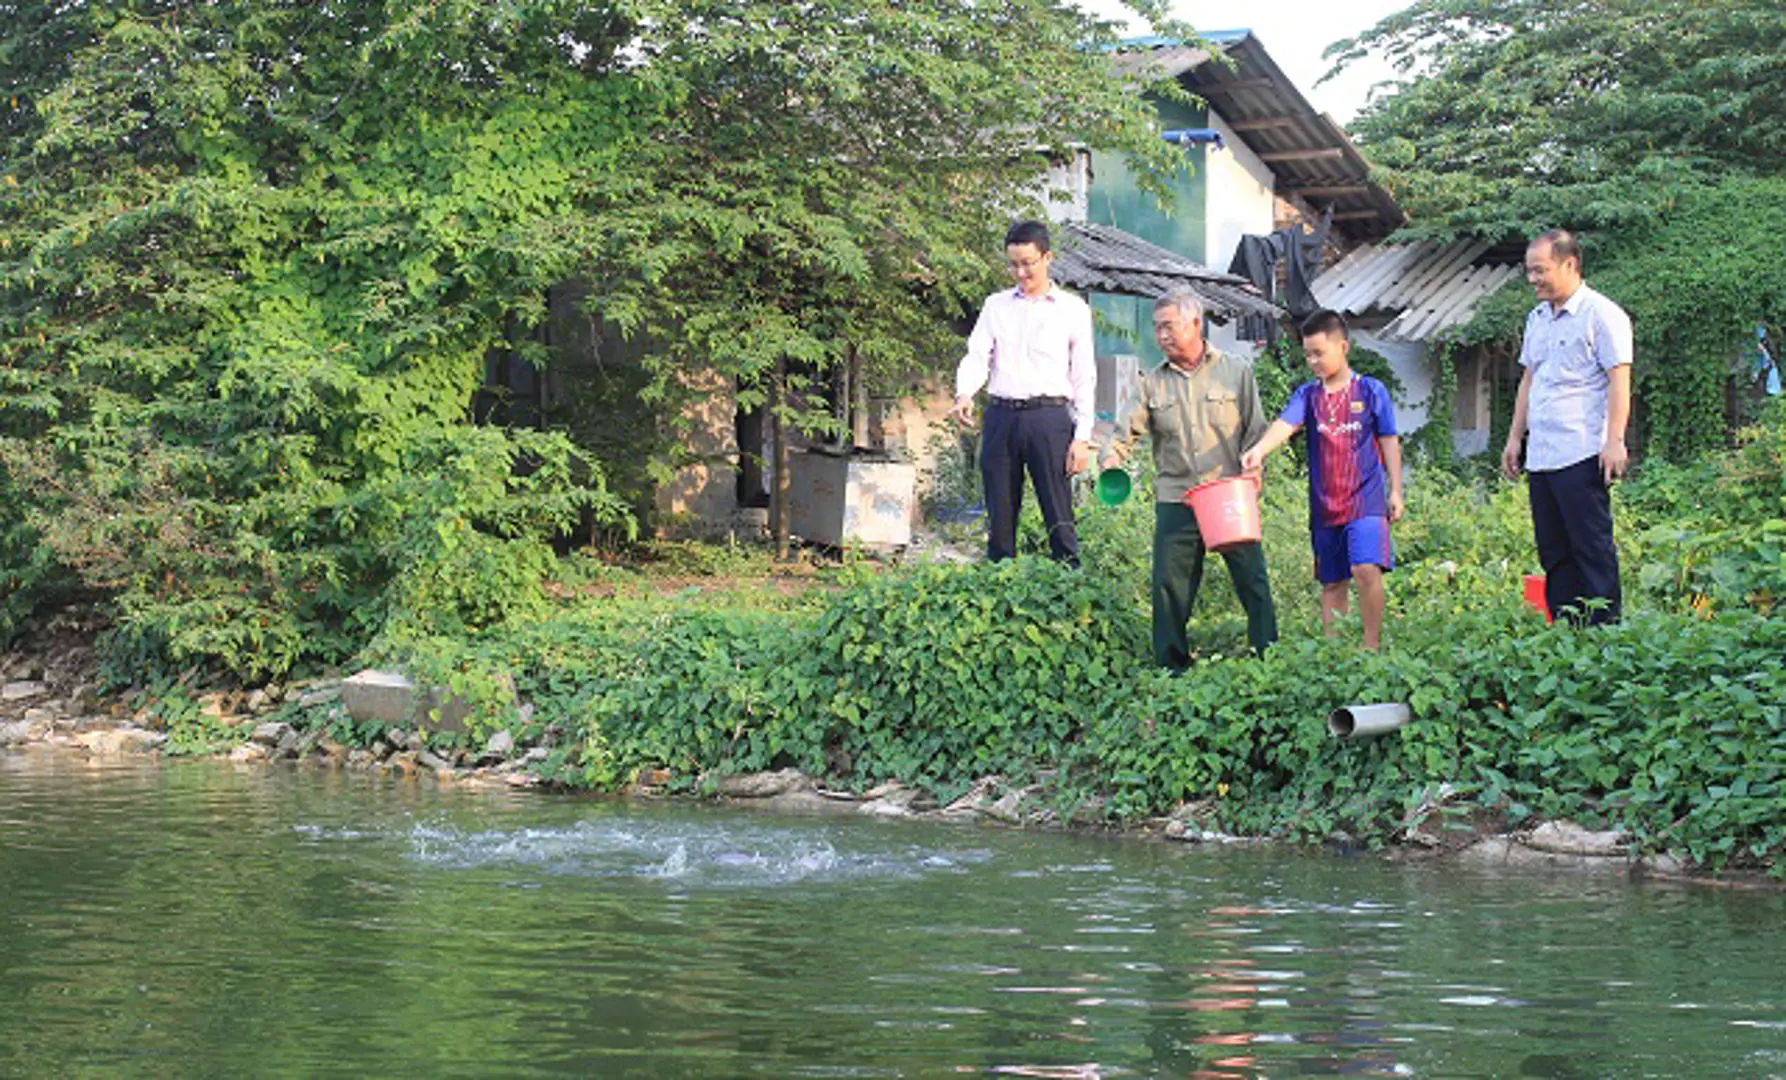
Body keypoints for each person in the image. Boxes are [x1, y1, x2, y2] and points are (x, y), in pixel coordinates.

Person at [1102, 288, 1277, 668]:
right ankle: (1171, 670)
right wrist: (1109, 461)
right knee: (1169, 588)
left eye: (1169, 327)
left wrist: (1254, 468)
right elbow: (1123, 434)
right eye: (1156, 328)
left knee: (1253, 582)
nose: (1161, 336)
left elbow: (1256, 429)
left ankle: (1270, 660)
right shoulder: (1151, 383)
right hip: (1177, 498)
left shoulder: (1235, 371)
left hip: (1228, 495)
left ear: (1196, 324)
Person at [1241, 310, 1403, 651]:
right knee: (1332, 582)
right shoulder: (1308, 396)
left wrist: (1397, 491)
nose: (1312, 361)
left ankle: (1371, 645)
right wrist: (1259, 451)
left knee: (1365, 569)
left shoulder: (1371, 391)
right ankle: (1334, 655)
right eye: (1307, 355)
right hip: (1325, 504)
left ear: (1343, 346)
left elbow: (1389, 440)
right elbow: (1286, 425)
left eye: (1319, 353)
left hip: (1366, 499)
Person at [1499, 229, 1633, 625]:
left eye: (1540, 270)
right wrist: (1514, 437)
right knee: (1554, 552)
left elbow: (1619, 380)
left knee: (1590, 547)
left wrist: (1614, 441)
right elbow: (1529, 379)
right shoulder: (1537, 319)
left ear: (1569, 264)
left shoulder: (1602, 315)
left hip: (1582, 451)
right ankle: (1567, 633)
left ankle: (1605, 635)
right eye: (1529, 271)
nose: (1533, 279)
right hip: (1541, 455)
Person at [949, 220, 1096, 564]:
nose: (1020, 272)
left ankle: (1069, 588)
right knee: (999, 514)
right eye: (1013, 264)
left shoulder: (1072, 309)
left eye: (1028, 263)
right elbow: (977, 355)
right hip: (1001, 416)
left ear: (1047, 258)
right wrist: (964, 393)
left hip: (1050, 418)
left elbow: (1084, 374)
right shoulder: (995, 305)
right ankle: (1000, 589)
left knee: (1058, 514)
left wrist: (1082, 436)